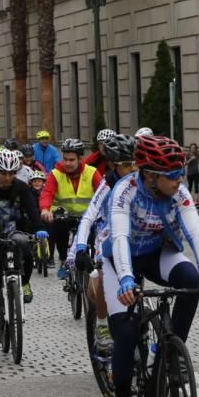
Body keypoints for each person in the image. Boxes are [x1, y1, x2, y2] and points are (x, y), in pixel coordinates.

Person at [98, 134, 199, 397]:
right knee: (126, 334)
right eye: (173, 175)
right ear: (150, 175)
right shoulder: (123, 191)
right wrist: (127, 279)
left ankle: (171, 352)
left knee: (191, 279)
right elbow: (121, 237)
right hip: (120, 260)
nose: (180, 180)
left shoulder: (178, 193)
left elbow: (195, 232)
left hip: (157, 253)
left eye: (181, 173)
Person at [0, 150, 47, 343]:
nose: (7, 177)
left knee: (27, 252)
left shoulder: (21, 188)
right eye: (3, 173)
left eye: (11, 173)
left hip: (16, 233)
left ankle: (25, 282)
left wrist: (39, 228)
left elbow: (32, 209)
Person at [73, 133, 137, 353]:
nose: (132, 170)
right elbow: (89, 216)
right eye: (126, 165)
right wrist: (81, 247)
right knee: (102, 273)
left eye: (134, 164)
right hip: (106, 232)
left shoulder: (141, 179)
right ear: (111, 164)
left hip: (131, 232)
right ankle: (101, 324)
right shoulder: (107, 183)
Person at [39, 138, 102, 278]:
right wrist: (45, 209)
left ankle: (90, 259)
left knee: (92, 236)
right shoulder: (56, 173)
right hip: (64, 216)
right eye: (65, 159)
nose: (67, 163)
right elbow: (47, 193)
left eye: (71, 160)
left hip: (88, 217)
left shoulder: (92, 172)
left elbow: (103, 193)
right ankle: (63, 259)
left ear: (80, 158)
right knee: (59, 225)